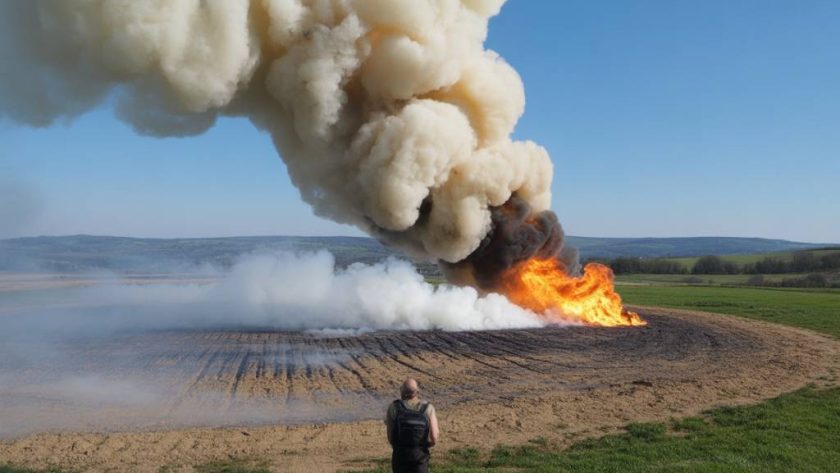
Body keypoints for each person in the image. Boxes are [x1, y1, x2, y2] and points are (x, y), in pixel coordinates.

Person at [384, 378, 440, 473]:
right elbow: (434, 437)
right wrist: (425, 446)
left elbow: (390, 438)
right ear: (417, 392)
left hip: (400, 455)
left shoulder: (394, 407)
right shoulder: (428, 408)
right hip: (420, 456)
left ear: (402, 391)